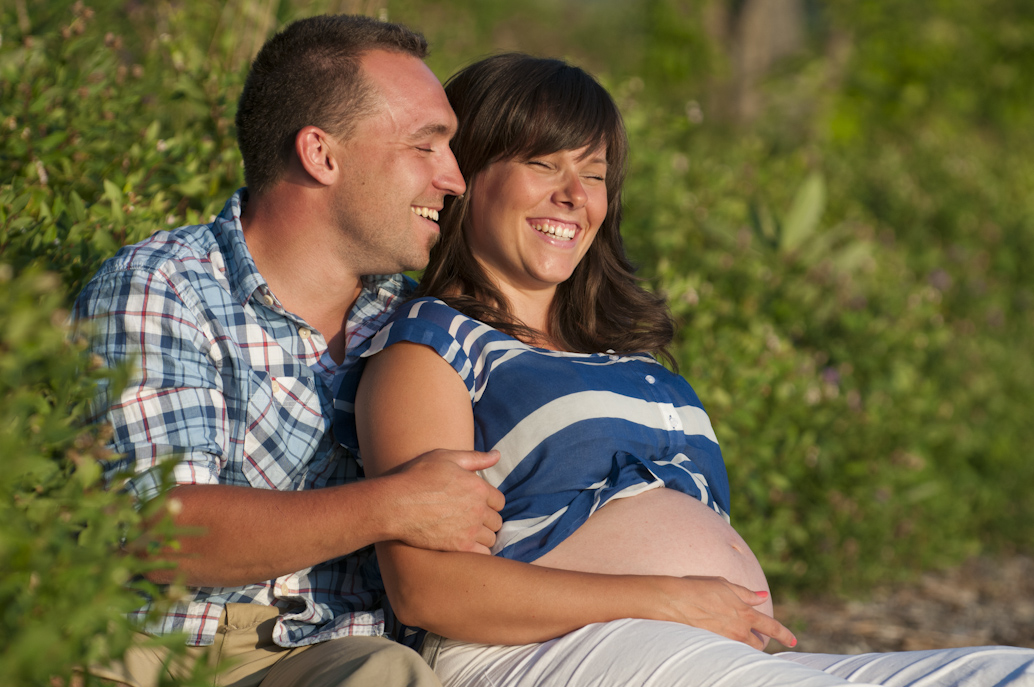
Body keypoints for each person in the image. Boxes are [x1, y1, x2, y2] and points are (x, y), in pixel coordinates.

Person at [341, 53, 1034, 686]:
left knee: (1008, 670)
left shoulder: (619, 354)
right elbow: (426, 589)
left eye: (594, 173)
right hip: (527, 652)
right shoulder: (429, 350)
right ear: (470, 174)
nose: (574, 194)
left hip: (687, 652)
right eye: (544, 164)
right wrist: (664, 598)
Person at [71, 14, 506, 687]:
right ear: (321, 154)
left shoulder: (422, 320)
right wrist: (393, 504)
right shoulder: (164, 284)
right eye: (426, 147)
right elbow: (160, 525)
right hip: (160, 653)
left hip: (335, 658)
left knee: (389, 671)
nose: (454, 178)